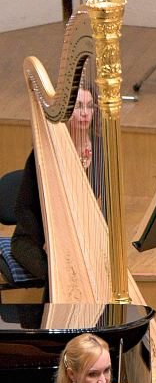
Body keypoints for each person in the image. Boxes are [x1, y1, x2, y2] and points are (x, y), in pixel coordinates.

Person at [4, 84, 94, 285]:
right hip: (34, 239)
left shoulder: (99, 151)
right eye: (78, 106)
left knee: (100, 270)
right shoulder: (43, 154)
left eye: (90, 106)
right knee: (61, 275)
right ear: (64, 111)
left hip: (80, 240)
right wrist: (50, 238)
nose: (85, 113)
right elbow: (23, 208)